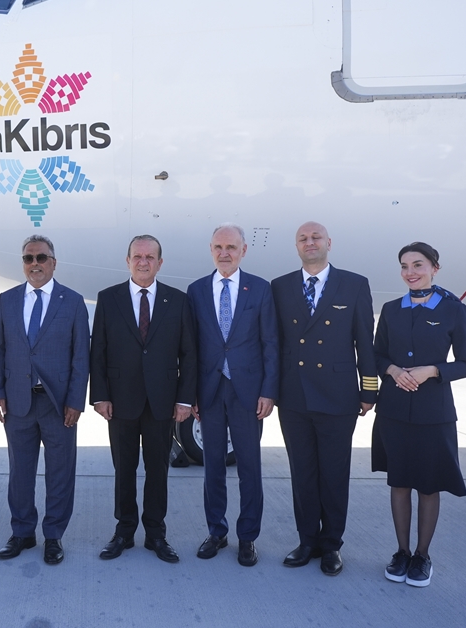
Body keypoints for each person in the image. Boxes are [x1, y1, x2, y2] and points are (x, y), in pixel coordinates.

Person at [271, 221, 378, 576]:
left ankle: (331, 545)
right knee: (302, 472)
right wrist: (271, 390)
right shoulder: (280, 286)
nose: (310, 242)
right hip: (294, 396)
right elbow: (274, 344)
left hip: (338, 395)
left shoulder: (354, 284)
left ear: (329, 242)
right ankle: (307, 541)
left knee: (334, 474)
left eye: (316, 237)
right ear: (296, 246)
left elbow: (365, 341)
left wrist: (369, 389)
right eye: (303, 238)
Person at [372, 242, 466, 587]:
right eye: (404, 266)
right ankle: (401, 553)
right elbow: (377, 355)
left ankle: (422, 555)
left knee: (429, 486)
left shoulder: (453, 310)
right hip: (394, 410)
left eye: (418, 265)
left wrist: (432, 370)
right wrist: (392, 371)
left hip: (434, 412)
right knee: (399, 482)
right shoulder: (391, 309)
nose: (410, 272)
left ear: (434, 268)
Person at [91, 234, 196, 564]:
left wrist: (184, 399)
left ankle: (155, 533)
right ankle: (124, 531)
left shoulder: (177, 301)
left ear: (160, 263)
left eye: (150, 257)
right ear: (128, 261)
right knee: (124, 469)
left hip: (162, 401)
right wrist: (100, 396)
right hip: (120, 401)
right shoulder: (109, 299)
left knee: (157, 470)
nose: (143, 262)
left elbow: (189, 354)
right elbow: (98, 351)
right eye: (137, 256)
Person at [0, 235, 89, 565]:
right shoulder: (8, 300)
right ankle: (22, 532)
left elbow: (81, 356)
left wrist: (76, 400)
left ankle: (54, 535)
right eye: (28, 258)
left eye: (41, 258)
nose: (35, 264)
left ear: (53, 263)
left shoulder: (72, 302)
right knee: (20, 472)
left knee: (60, 472)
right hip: (17, 402)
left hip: (57, 404)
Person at [186, 224, 278, 566]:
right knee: (212, 467)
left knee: (249, 468)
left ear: (243, 251)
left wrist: (268, 391)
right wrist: (190, 393)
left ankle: (248, 537)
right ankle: (216, 531)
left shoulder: (260, 289)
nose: (224, 253)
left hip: (248, 393)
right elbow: (190, 347)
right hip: (209, 391)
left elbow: (270, 344)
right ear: (211, 250)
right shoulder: (196, 290)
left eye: (231, 247)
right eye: (218, 247)